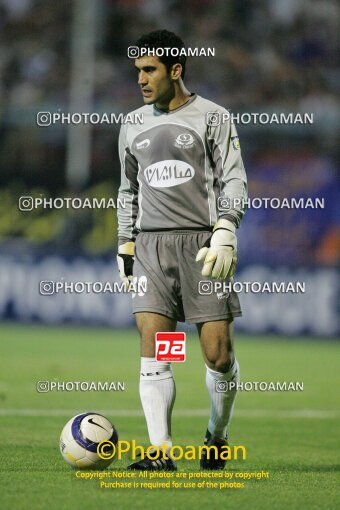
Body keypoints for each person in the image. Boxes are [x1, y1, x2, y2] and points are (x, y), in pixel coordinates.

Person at [117, 29, 247, 471]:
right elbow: (127, 189)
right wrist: (125, 244)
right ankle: (162, 451)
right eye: (138, 70)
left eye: (150, 70)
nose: (141, 79)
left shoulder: (213, 117)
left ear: (176, 70)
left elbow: (234, 179)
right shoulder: (132, 123)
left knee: (217, 354)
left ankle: (216, 434)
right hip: (152, 248)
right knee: (159, 345)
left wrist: (227, 227)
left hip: (202, 248)